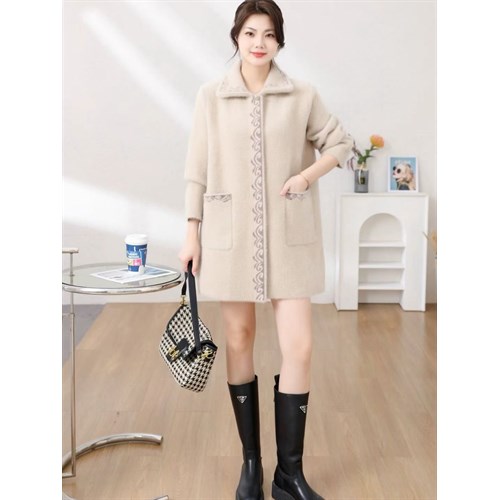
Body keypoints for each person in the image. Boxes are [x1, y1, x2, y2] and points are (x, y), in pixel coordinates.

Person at [178, 1, 353, 499]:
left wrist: (305, 176)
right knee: (239, 340)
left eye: (269, 34)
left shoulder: (302, 95)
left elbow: (340, 143)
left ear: (280, 41)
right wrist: (192, 231)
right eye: (251, 33)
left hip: (289, 238)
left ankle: (289, 475)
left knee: (299, 347)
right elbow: (197, 169)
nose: (259, 43)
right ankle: (252, 465)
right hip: (230, 236)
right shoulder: (211, 96)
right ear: (236, 37)